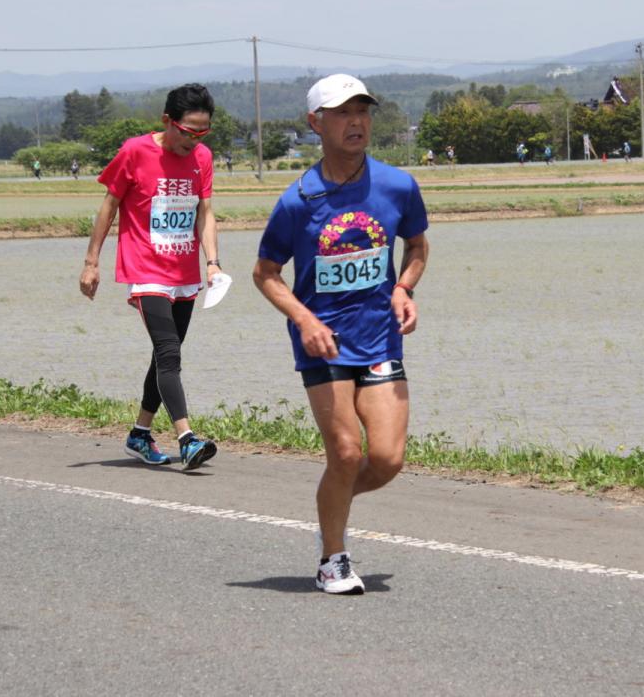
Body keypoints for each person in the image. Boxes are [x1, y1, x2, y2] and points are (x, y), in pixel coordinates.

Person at [253, 74, 430, 595]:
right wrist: (305, 319)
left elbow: (417, 247)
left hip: (379, 338)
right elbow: (265, 272)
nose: (356, 122)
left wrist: (403, 287)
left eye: (363, 111)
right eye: (342, 113)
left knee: (388, 460)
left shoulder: (397, 185)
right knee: (347, 453)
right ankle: (333, 558)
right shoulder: (297, 201)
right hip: (323, 343)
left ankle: (334, 501)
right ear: (316, 123)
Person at [79, 83, 222, 471]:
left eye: (203, 133)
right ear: (167, 121)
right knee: (170, 354)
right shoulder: (135, 151)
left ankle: (139, 433)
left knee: (165, 356)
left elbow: (204, 213)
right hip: (145, 270)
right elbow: (109, 205)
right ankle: (188, 438)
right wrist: (92, 262)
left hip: (184, 272)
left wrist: (213, 262)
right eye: (188, 132)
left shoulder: (202, 158)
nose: (194, 141)